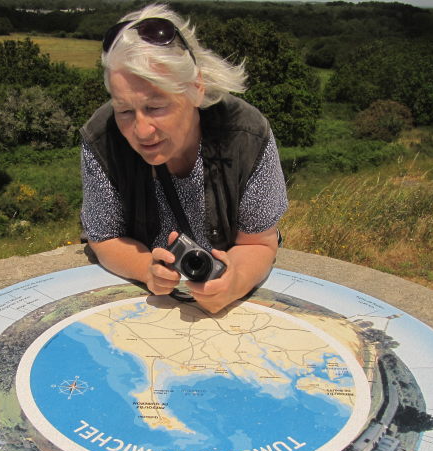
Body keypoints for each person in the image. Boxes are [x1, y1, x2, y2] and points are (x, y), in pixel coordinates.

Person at [80, 3, 287, 313]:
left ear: (196, 89)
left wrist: (235, 281)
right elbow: (103, 237)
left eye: (156, 107)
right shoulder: (101, 138)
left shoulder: (248, 134)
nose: (141, 130)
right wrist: (145, 268)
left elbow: (258, 242)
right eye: (124, 111)